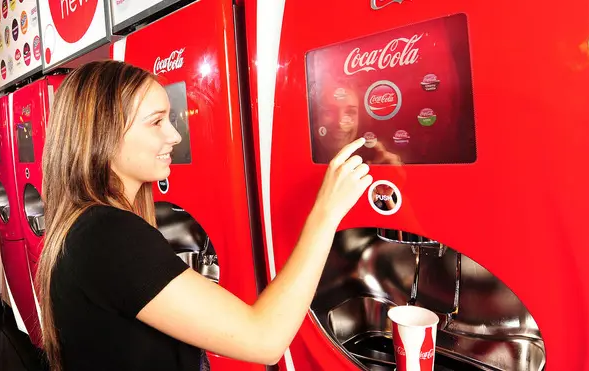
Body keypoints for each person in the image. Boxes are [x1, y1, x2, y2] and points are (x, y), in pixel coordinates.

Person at [36, 60, 375, 371]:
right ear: (102, 134)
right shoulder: (109, 234)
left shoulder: (87, 226)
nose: (175, 135)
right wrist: (326, 213)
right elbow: (265, 339)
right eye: (156, 122)